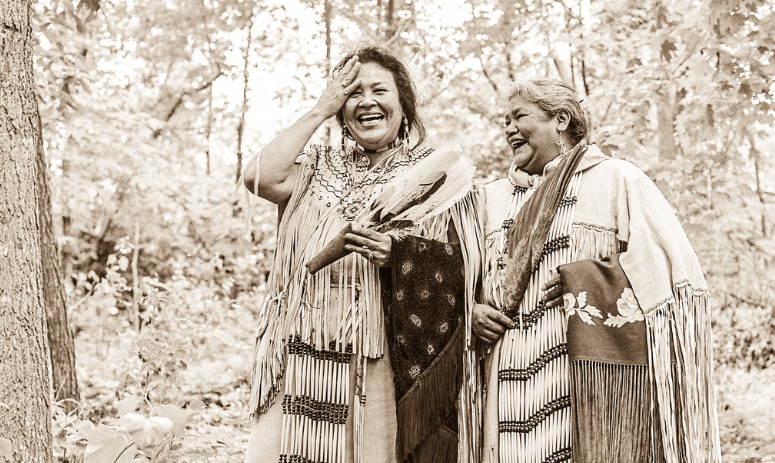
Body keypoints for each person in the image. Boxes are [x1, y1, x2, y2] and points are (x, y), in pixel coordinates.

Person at [242, 46, 482, 463]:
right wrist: (320, 108)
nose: (366, 101)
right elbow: (258, 176)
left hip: (379, 354)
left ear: (404, 106)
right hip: (298, 343)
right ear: (341, 110)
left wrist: (401, 254)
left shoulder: (436, 174)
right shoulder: (318, 164)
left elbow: (466, 266)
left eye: (379, 91)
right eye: (353, 93)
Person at [464, 77, 721, 463]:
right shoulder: (489, 199)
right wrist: (471, 310)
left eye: (519, 117)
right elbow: (457, 277)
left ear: (561, 120)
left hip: (583, 382)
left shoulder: (616, 179)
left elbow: (670, 273)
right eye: (505, 121)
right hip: (504, 381)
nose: (508, 129)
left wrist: (587, 277)